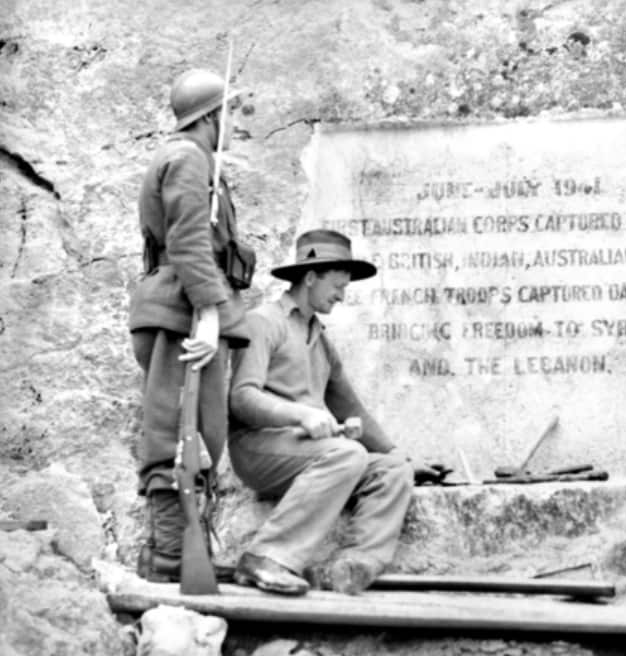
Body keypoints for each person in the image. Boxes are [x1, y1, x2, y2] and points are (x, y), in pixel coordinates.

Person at [227, 229, 441, 596]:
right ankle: (266, 557)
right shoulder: (263, 322)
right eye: (337, 286)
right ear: (310, 277)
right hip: (259, 449)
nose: (342, 296)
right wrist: (301, 415)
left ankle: (350, 567)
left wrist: (395, 454)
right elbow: (242, 398)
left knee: (393, 471)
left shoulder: (320, 338)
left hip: (313, 453)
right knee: (347, 454)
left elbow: (348, 404)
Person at [130, 67, 252, 582]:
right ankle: (169, 557)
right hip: (181, 312)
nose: (236, 121)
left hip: (186, 308)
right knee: (172, 433)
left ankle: (180, 549)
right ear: (210, 116)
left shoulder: (196, 159)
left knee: (200, 433)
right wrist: (207, 313)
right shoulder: (186, 158)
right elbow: (188, 243)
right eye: (230, 112)